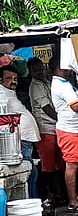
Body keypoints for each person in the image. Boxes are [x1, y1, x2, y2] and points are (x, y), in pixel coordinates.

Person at [50, 61, 78, 212]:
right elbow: (75, 106)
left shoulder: (61, 83)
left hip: (73, 130)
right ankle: (73, 201)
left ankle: (75, 199)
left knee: (74, 165)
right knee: (72, 166)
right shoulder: (62, 85)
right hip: (70, 131)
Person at [27, 58, 64, 205]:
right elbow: (46, 107)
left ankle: (60, 194)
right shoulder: (35, 87)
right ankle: (52, 195)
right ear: (30, 71)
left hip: (55, 128)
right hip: (45, 129)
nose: (39, 71)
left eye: (40, 68)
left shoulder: (47, 83)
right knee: (48, 166)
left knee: (59, 164)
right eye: (35, 70)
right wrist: (61, 118)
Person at [0, 65, 40, 197]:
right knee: (29, 173)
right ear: (0, 80)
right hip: (18, 140)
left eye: (15, 79)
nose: (13, 81)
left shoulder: (9, 93)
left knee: (31, 173)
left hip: (24, 139)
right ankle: (32, 202)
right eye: (9, 78)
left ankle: (34, 202)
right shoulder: (2, 94)